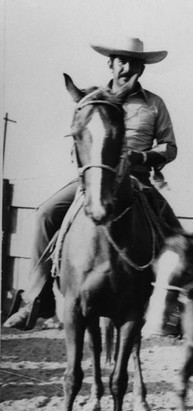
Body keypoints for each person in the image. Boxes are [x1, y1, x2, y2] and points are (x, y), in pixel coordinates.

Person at [4, 36, 180, 330]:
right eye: (121, 60)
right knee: (47, 213)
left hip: (136, 179)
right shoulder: (91, 99)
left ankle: (174, 307)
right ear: (110, 64)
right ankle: (38, 300)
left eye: (134, 62)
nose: (127, 67)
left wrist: (141, 156)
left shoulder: (154, 104)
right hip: (96, 176)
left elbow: (169, 147)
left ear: (142, 68)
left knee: (176, 234)